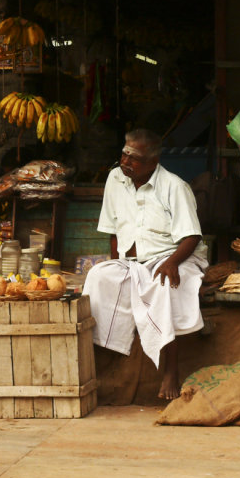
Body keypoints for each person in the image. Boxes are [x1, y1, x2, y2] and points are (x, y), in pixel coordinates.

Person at [82, 129, 208, 401]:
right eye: (124, 154)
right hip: (133, 261)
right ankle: (105, 355)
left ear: (153, 162)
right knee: (97, 277)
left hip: (175, 255)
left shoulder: (174, 186)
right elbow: (113, 230)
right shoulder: (115, 179)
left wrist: (173, 262)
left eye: (134, 158)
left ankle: (170, 371)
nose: (125, 162)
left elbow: (192, 235)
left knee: (165, 287)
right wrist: (117, 262)